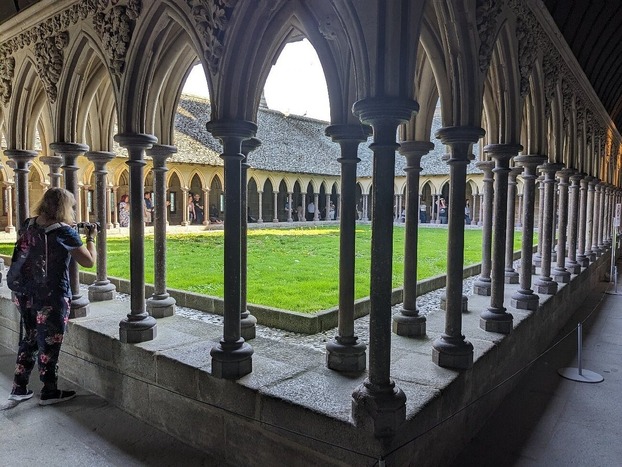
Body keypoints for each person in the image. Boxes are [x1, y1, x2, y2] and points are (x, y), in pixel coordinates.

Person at [8, 188, 97, 406]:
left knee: (29, 338)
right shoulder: (64, 232)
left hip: (24, 292)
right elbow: (88, 262)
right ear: (65, 207)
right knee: (50, 342)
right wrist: (91, 239)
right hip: (51, 295)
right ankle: (49, 391)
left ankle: (19, 388)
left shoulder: (29, 224)